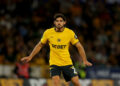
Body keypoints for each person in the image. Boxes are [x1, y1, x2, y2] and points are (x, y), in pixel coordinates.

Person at [21, 13, 92, 86]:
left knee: (76, 82)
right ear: (54, 22)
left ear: (64, 22)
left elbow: (79, 46)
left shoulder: (70, 33)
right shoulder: (48, 32)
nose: (59, 22)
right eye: (57, 21)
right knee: (56, 83)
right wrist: (30, 56)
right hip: (54, 63)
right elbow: (39, 45)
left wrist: (84, 60)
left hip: (67, 63)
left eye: (61, 21)